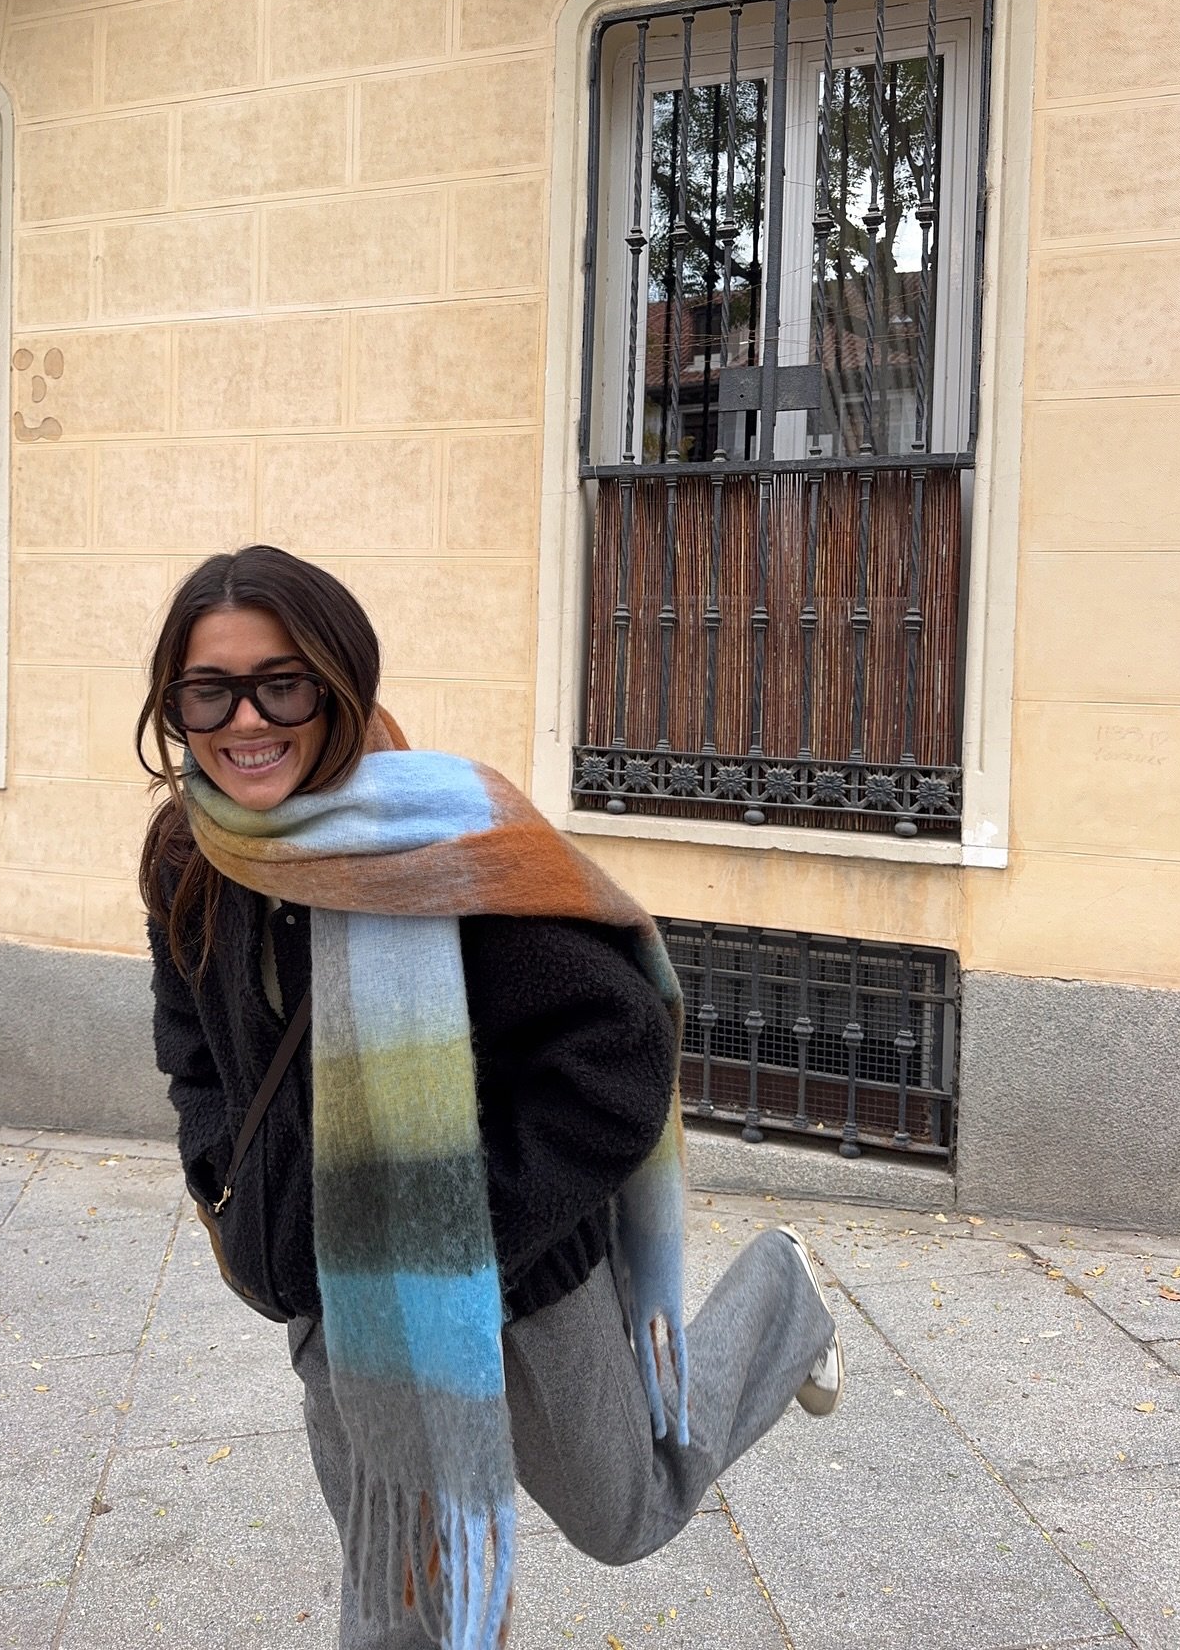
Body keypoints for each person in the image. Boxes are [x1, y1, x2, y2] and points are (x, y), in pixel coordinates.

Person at [138, 545, 843, 1650]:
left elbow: (618, 1054)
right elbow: (193, 1044)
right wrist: (229, 1174)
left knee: (628, 1516)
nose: (246, 720)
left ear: (337, 683)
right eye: (208, 691)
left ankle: (782, 1299)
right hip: (336, 1292)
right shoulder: (193, 852)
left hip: (522, 1270)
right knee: (408, 1594)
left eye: (282, 685)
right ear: (175, 705)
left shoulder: (447, 844)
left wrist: (463, 1227)